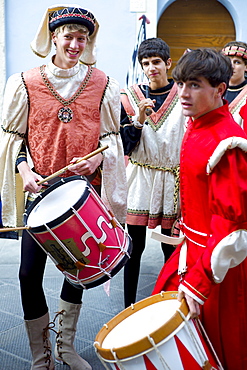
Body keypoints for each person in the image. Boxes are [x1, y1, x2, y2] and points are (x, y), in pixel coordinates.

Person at [0, 5, 127, 370]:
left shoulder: (103, 83)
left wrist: (98, 160)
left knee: (79, 270)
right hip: (39, 194)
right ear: (53, 37)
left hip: (82, 195)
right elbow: (15, 140)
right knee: (28, 274)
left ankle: (66, 347)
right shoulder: (26, 82)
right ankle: (41, 356)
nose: (74, 44)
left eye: (81, 38)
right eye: (68, 36)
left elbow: (111, 139)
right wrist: (24, 171)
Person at [152, 48, 247, 369]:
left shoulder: (228, 141)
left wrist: (200, 283)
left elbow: (231, 223)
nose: (182, 93)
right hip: (191, 252)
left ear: (220, 90)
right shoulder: (198, 123)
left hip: (217, 267)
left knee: (215, 347)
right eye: (180, 84)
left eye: (194, 85)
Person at [120, 38, 185, 308]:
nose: (151, 68)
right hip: (140, 179)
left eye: (156, 62)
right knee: (133, 249)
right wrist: (138, 120)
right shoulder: (130, 97)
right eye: (145, 63)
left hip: (172, 180)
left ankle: (170, 305)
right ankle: (128, 308)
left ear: (168, 63)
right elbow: (125, 146)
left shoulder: (184, 96)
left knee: (170, 249)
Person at [221, 41, 247, 128]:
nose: (231, 66)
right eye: (228, 61)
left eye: (237, 62)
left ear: (246, 66)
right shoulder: (214, 89)